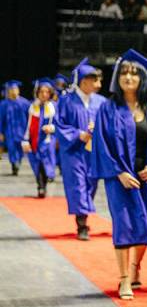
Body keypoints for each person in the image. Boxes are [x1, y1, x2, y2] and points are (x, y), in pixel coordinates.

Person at [91, 50, 147, 300]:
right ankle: (124, 278)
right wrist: (119, 172)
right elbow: (101, 143)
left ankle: (136, 266)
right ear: (118, 78)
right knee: (124, 226)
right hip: (121, 179)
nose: (128, 77)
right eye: (124, 73)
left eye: (134, 73)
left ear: (142, 79)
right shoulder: (108, 108)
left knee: (146, 224)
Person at [55, 58, 104, 240]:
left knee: (91, 184)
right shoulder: (66, 101)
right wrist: (78, 134)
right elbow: (60, 125)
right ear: (84, 81)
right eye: (94, 80)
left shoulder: (100, 102)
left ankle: (83, 216)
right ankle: (82, 224)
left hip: (93, 152)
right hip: (73, 152)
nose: (97, 84)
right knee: (77, 185)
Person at [22, 79, 59, 198]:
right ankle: (41, 186)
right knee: (37, 164)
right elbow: (26, 125)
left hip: (48, 141)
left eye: (47, 92)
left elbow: (60, 123)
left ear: (50, 93)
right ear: (37, 93)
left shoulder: (54, 107)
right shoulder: (31, 107)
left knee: (47, 163)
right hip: (34, 140)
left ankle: (44, 183)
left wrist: (52, 128)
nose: (44, 94)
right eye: (41, 92)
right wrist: (25, 140)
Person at [0, 81, 29, 175]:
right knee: (12, 148)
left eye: (15, 89)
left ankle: (18, 161)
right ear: (8, 91)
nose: (13, 91)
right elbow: (1, 119)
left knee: (20, 149)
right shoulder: (4, 104)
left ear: (18, 90)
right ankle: (14, 164)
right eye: (11, 89)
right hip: (9, 131)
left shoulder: (25, 103)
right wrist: (0, 132)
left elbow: (30, 118)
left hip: (22, 130)